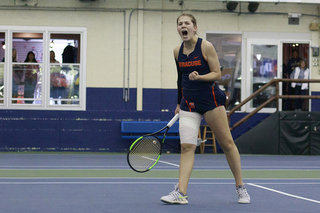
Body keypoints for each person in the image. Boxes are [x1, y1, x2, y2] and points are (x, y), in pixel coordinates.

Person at [160, 14, 250, 205]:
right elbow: (179, 79)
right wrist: (178, 103)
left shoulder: (205, 46)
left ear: (194, 27)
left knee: (227, 144)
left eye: (187, 23)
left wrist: (199, 77)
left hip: (210, 102)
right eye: (180, 24)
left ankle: (240, 187)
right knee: (186, 147)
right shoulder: (177, 51)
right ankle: (181, 192)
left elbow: (217, 73)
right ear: (178, 29)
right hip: (188, 104)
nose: (183, 26)